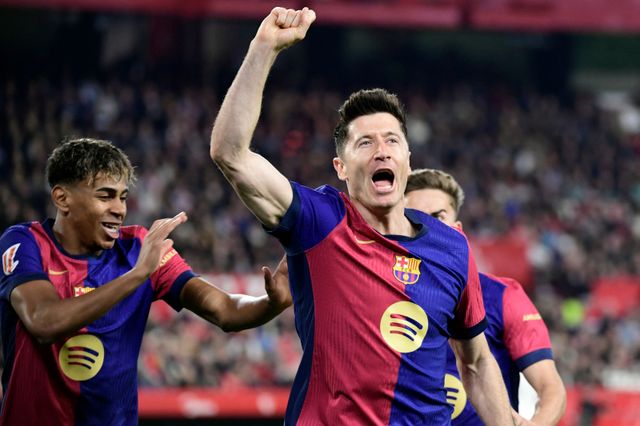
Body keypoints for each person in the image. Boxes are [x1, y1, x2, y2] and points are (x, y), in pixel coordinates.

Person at [210, 7, 514, 425]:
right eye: (365, 143)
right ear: (341, 167)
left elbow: (476, 363)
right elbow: (230, 154)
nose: (381, 151)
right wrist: (264, 48)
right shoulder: (319, 221)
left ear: (408, 159)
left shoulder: (452, 247)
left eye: (392, 140)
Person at [0, 138, 291, 426]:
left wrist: (270, 304)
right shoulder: (24, 243)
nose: (119, 209)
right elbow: (43, 321)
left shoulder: (139, 247)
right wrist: (137, 275)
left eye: (123, 197)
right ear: (62, 198)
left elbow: (224, 309)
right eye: (105, 196)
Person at [405, 168, 567, 425]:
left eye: (438, 217)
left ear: (456, 229)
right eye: (416, 217)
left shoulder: (502, 296)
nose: (429, 227)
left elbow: (551, 388)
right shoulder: (378, 294)